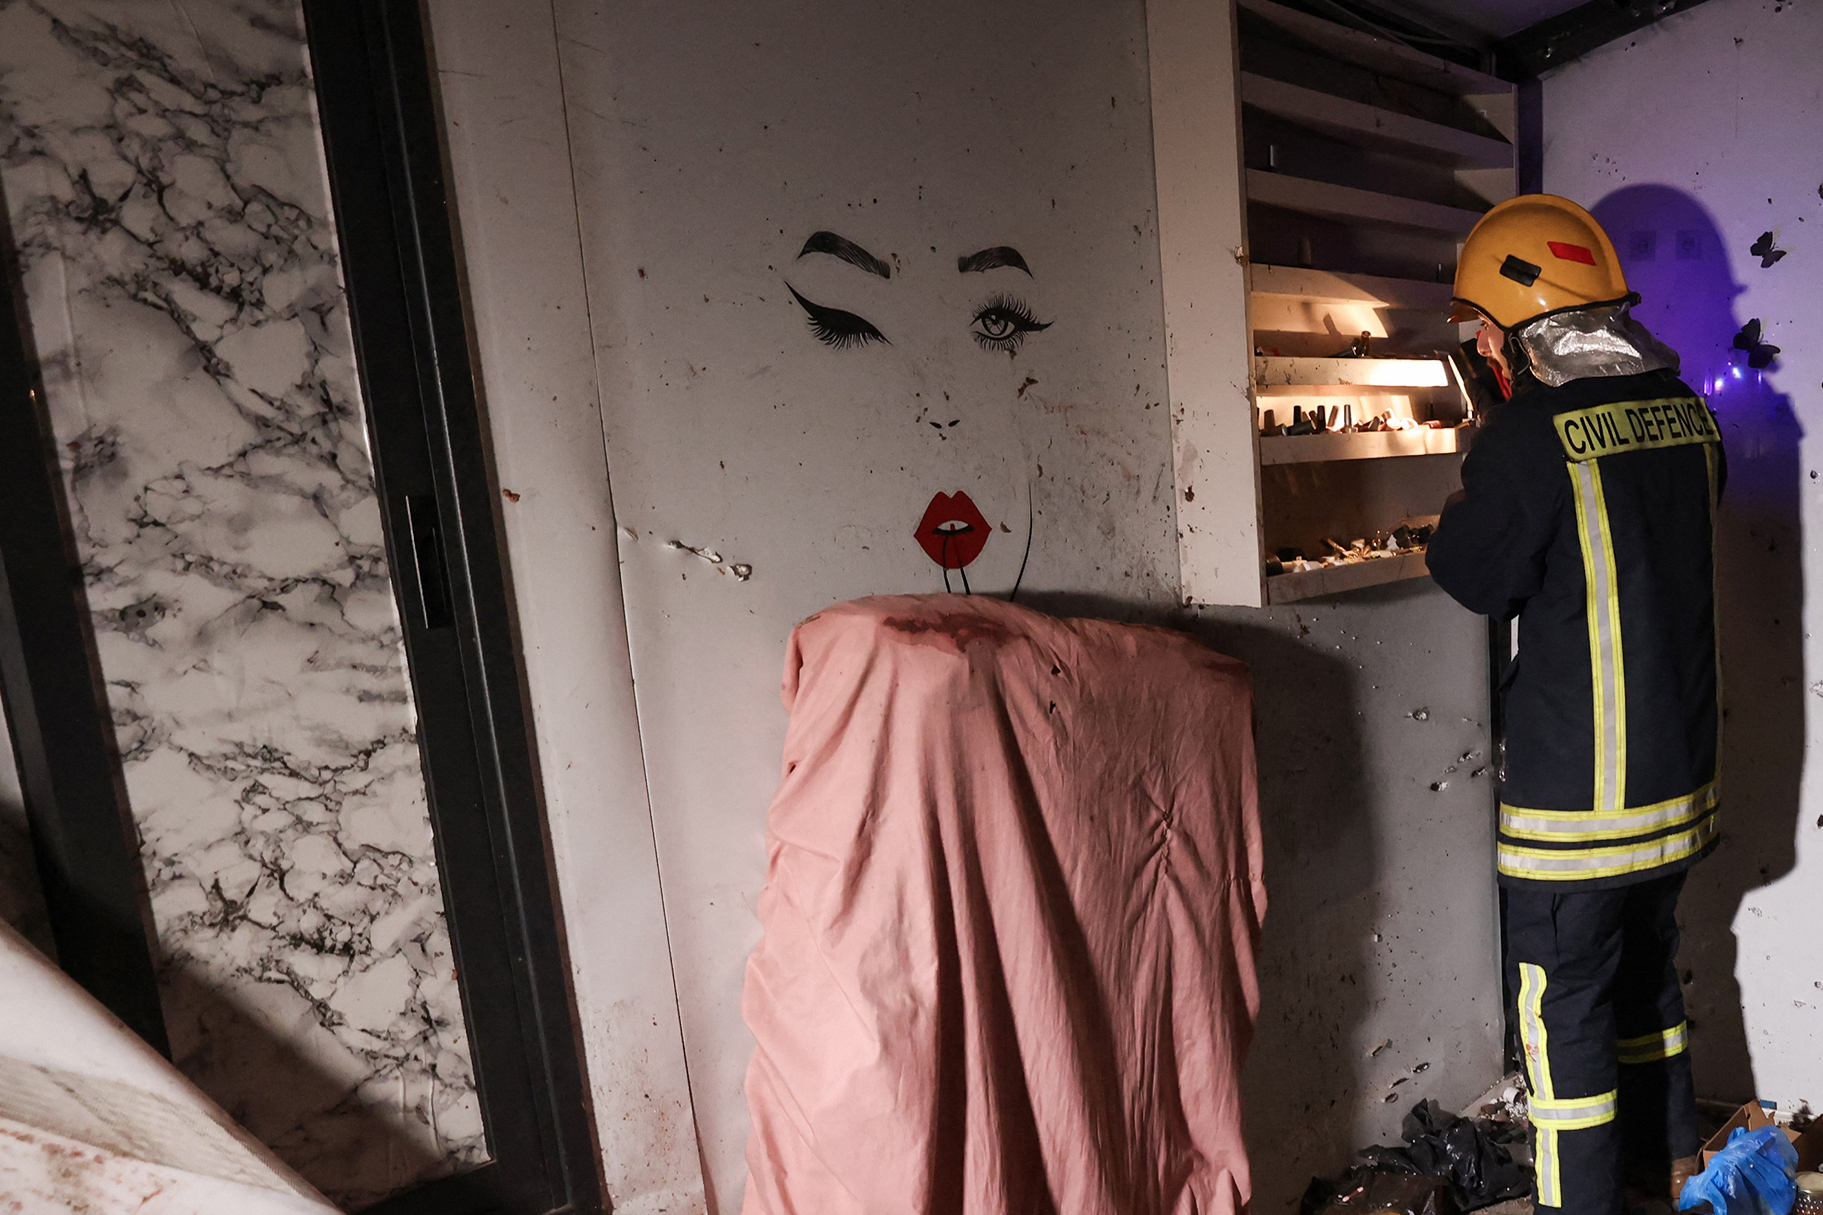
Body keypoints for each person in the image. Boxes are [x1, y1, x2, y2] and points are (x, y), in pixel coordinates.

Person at [1425, 195, 1722, 1212]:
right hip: (1674, 790)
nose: (1472, 345)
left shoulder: (1527, 437)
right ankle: (1673, 1163)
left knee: (1565, 1027)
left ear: (1512, 327)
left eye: (1477, 327)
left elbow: (1474, 574)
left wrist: (1475, 468)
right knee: (1645, 982)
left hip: (1576, 813)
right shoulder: (1686, 412)